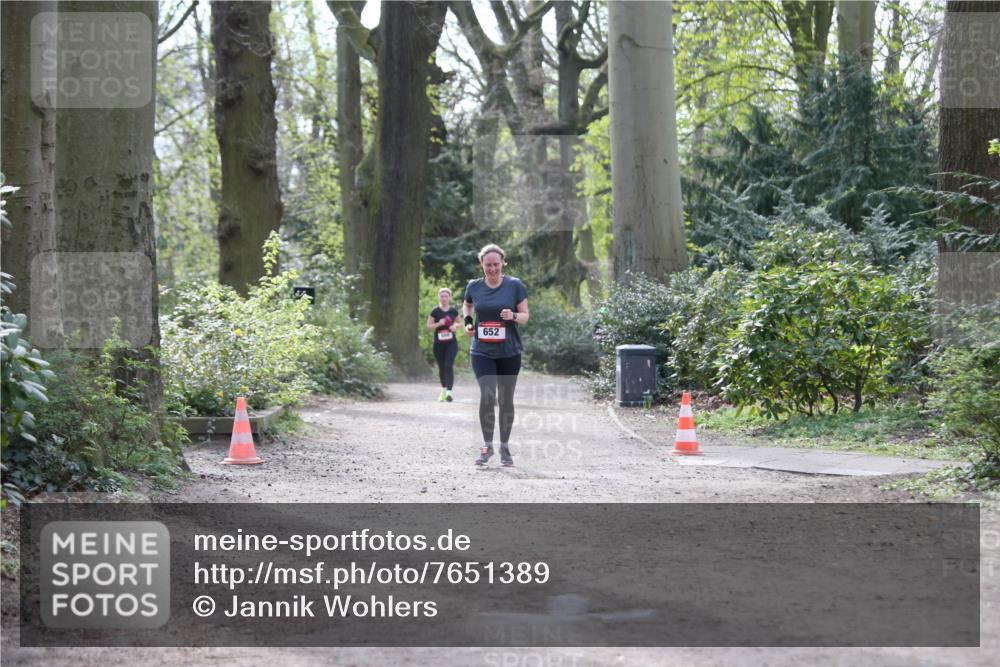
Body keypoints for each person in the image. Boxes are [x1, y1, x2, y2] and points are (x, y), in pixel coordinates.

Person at [463, 244, 529, 467]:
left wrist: (513, 315)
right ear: (481, 264)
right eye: (488, 265)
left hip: (509, 351)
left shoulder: (514, 285)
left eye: (496, 264)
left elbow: (525, 316)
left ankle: (505, 448)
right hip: (481, 350)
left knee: (506, 399)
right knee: (488, 395)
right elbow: (467, 305)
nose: (492, 268)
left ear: (503, 263)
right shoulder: (474, 286)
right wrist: (467, 323)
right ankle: (487, 446)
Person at [427, 287, 460, 402]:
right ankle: (443, 390)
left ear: (450, 298)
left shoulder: (453, 311)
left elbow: (459, 322)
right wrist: (439, 323)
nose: (444, 298)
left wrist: (455, 326)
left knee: (448, 366)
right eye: (442, 296)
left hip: (451, 343)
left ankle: (449, 393)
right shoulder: (435, 311)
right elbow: (429, 327)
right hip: (439, 344)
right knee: (441, 367)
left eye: (446, 296)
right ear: (439, 297)